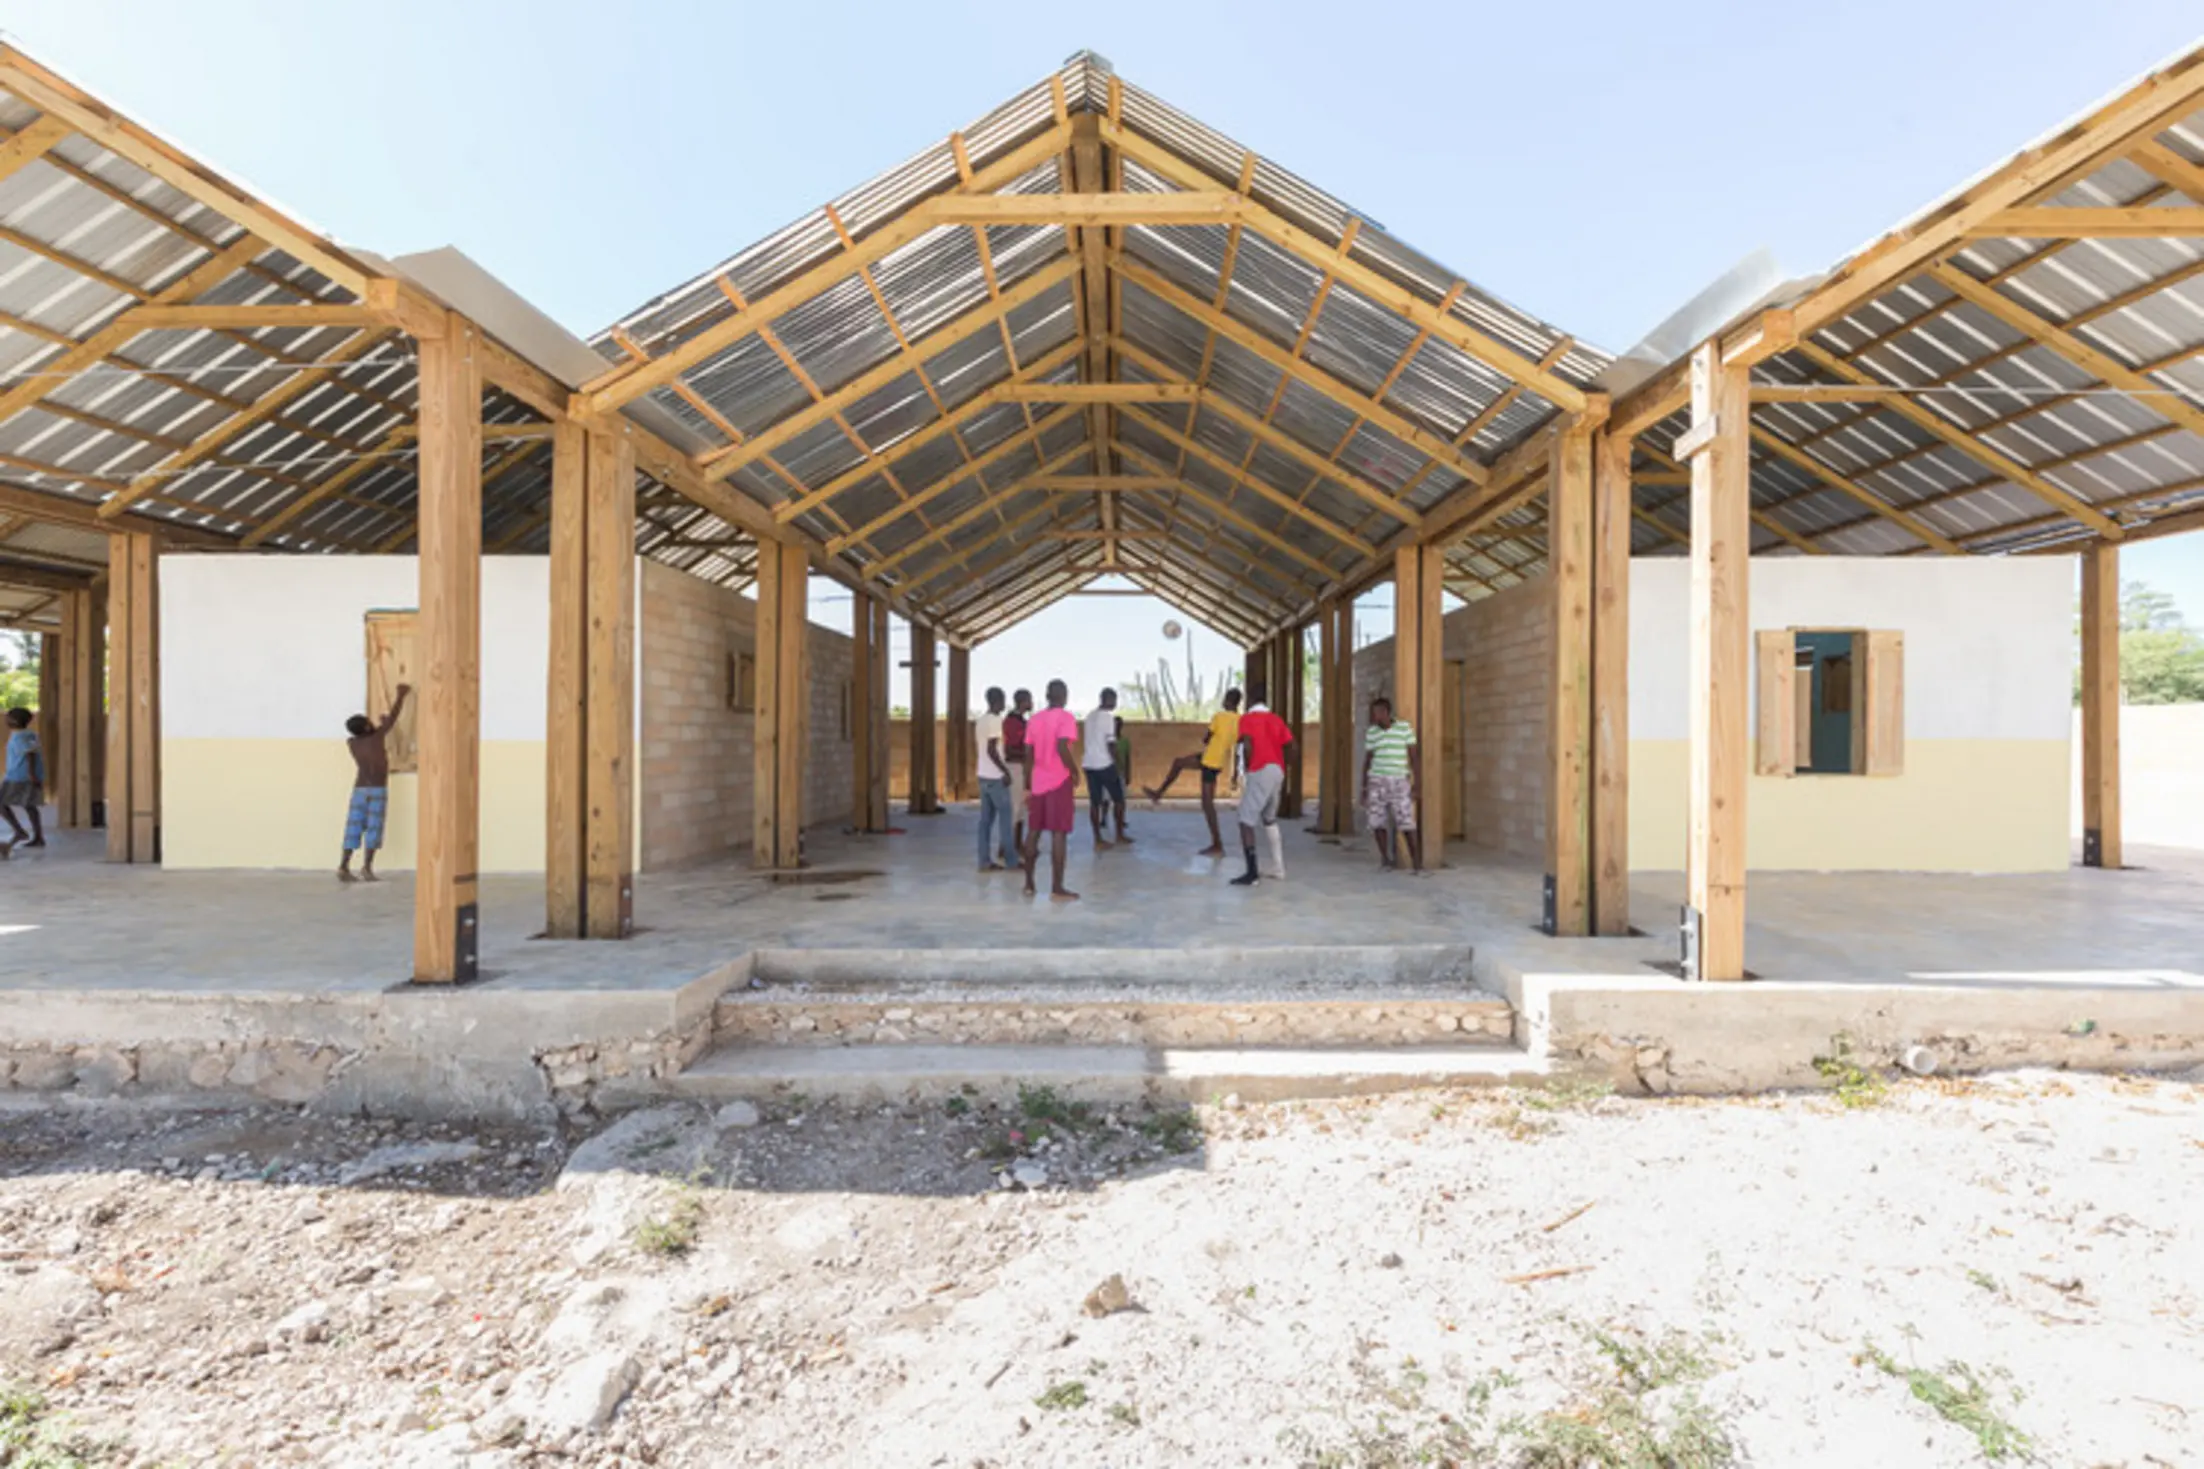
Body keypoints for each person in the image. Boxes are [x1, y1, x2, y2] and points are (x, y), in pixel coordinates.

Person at [1143, 687, 1241, 856]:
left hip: (1209, 761)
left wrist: (1211, 738)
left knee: (1207, 804)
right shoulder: (1240, 720)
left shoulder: (1219, 716)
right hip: (1214, 759)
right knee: (1178, 763)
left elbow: (1206, 738)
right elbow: (1237, 743)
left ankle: (1217, 844)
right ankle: (1158, 793)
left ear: (1228, 701)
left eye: (1225, 698)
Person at [340, 683, 410, 883]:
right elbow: (393, 718)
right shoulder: (376, 737)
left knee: (353, 827)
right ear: (366, 727)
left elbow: (375, 731)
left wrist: (380, 724)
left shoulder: (352, 743)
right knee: (374, 827)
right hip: (377, 790)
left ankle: (343, 866)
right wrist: (401, 695)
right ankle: (367, 868)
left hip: (359, 790)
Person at [1021, 679, 1081, 902]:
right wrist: (1074, 771)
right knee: (1058, 833)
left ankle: (1029, 883)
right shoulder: (1066, 718)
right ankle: (1057, 887)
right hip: (1059, 782)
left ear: (1047, 696)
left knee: (1034, 831)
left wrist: (1027, 784)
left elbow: (1028, 755)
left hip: (1038, 782)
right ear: (1064, 696)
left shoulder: (1034, 720)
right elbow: (1062, 746)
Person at [1229, 681, 1293, 888]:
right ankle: (1278, 868)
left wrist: (1249, 770)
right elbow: (1292, 746)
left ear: (1249, 698)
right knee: (1269, 819)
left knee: (1245, 821)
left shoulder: (1247, 719)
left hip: (1260, 769)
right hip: (1277, 770)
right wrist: (1283, 766)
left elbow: (1247, 744)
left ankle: (1251, 873)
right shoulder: (1276, 719)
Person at [1362, 695, 1424, 873]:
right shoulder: (1372, 732)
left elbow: (1414, 757)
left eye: (1376, 713)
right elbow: (1368, 759)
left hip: (1399, 780)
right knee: (1376, 821)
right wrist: (1364, 787)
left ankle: (1417, 863)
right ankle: (1385, 860)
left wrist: (1417, 783)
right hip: (1376, 780)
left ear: (1385, 712)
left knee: (1406, 821)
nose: (1373, 716)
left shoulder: (1404, 728)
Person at [1080, 687, 1131, 848]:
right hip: (1104, 763)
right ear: (1108, 699)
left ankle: (1098, 839)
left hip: (1089, 764)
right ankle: (1119, 835)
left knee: (1095, 802)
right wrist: (1118, 764)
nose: (1115, 703)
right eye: (1114, 700)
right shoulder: (1108, 718)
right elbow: (1111, 745)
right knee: (1119, 800)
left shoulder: (1090, 716)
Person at [974, 686, 1014, 872]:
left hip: (983, 775)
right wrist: (1005, 771)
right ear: (998, 700)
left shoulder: (981, 720)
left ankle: (984, 861)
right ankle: (1011, 860)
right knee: (1005, 819)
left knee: (985, 822)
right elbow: (992, 749)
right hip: (995, 777)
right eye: (1003, 699)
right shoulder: (996, 720)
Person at [0, 707, 44, 854]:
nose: (6, 720)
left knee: (2, 804)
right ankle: (38, 836)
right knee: (29, 806)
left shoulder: (21, 737)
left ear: (15, 721)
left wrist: (32, 774)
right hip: (19, 775)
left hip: (19, 777)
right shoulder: (29, 734)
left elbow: (30, 755)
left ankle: (19, 831)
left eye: (8, 718)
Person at [1004, 688, 1032, 855]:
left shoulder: (1022, 721)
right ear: (1023, 702)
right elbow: (1008, 749)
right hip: (1014, 766)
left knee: (1020, 809)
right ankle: (1005, 846)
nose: (1031, 703)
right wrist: (1027, 755)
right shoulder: (1012, 722)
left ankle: (1017, 843)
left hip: (1022, 767)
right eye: (1029, 700)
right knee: (1014, 808)